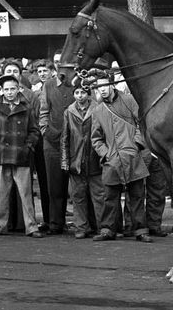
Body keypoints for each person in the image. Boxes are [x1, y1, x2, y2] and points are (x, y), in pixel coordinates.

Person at [89, 70, 152, 243]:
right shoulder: (98, 110)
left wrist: (136, 145)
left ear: (111, 84)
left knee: (137, 196)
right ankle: (108, 230)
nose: (101, 90)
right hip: (112, 160)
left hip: (133, 157)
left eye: (104, 85)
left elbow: (143, 123)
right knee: (110, 197)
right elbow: (96, 138)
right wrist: (106, 154)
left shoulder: (129, 100)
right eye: (98, 87)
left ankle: (140, 230)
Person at [0, 74, 44, 238]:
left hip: (21, 156)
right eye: (6, 89)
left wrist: (28, 146)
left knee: (25, 194)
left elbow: (34, 130)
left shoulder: (27, 107)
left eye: (13, 89)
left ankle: (31, 227)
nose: (10, 92)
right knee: (1, 194)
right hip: (2, 155)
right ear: (1, 91)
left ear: (19, 89)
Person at [60, 78, 104, 239]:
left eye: (83, 92)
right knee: (78, 196)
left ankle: (102, 226)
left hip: (94, 158)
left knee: (98, 195)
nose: (79, 96)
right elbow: (64, 138)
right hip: (76, 159)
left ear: (89, 93)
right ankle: (81, 227)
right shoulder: (69, 112)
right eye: (77, 93)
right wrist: (65, 161)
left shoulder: (98, 109)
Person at [39, 51, 73, 235]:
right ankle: (55, 223)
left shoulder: (78, 83)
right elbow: (44, 111)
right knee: (55, 186)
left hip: (75, 143)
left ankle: (86, 224)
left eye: (64, 62)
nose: (62, 66)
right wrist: (47, 132)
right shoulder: (49, 85)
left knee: (79, 186)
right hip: (52, 143)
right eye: (58, 62)